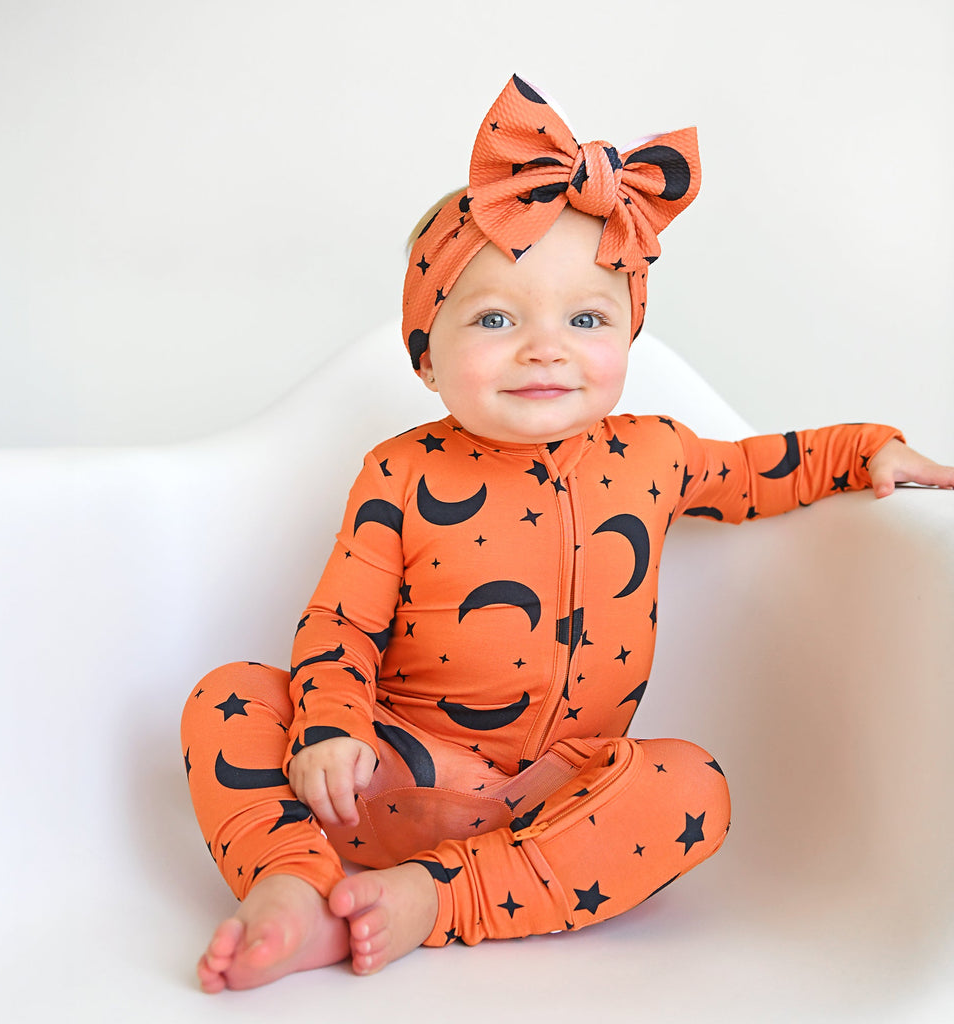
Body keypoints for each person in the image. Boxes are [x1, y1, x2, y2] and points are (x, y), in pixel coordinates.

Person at [180, 74, 954, 993]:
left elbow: (761, 470)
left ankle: (436, 899)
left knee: (693, 787)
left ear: (628, 334)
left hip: (559, 802)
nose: (544, 346)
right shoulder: (403, 471)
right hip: (387, 775)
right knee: (230, 699)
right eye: (495, 318)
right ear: (426, 356)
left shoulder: (654, 453)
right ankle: (294, 882)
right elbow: (341, 624)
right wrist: (333, 728)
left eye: (585, 318)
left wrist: (867, 449)